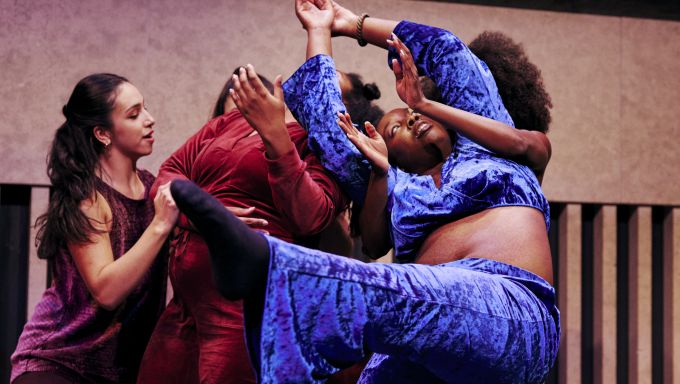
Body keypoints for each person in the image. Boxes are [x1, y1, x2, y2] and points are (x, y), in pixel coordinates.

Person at [135, 67, 348, 384]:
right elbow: (167, 177)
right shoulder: (227, 122)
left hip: (242, 303)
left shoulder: (326, 150)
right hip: (183, 304)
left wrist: (278, 138)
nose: (319, 96)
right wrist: (207, 218)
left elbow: (309, 217)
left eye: (333, 95)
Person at [10, 73, 178, 384]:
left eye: (146, 108)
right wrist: (159, 226)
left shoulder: (153, 188)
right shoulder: (87, 198)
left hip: (118, 373)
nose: (150, 120)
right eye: (134, 113)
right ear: (102, 133)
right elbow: (107, 292)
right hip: (60, 363)